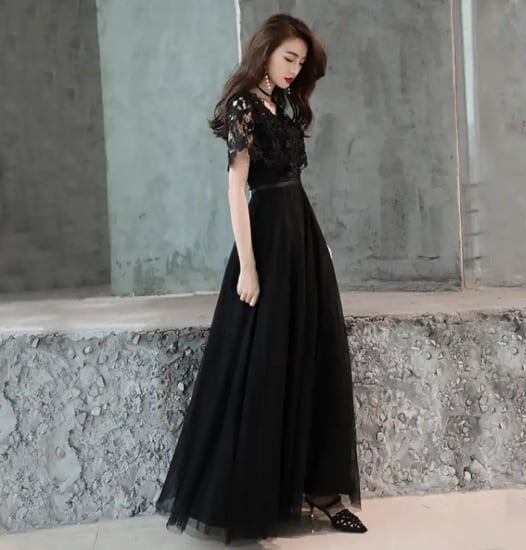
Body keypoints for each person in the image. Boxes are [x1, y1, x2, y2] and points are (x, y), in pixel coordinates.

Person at [155, 12, 367, 545]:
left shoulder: (285, 105)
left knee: (315, 356)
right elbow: (237, 188)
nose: (295, 69)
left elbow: (294, 183)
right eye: (288, 57)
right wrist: (248, 266)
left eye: (301, 61)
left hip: (302, 238)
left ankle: (322, 492)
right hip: (268, 241)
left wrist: (319, 246)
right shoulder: (243, 106)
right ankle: (253, 500)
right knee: (264, 363)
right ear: (266, 51)